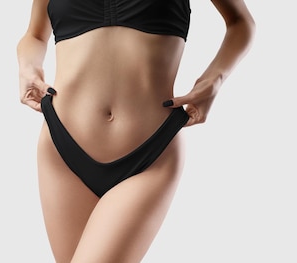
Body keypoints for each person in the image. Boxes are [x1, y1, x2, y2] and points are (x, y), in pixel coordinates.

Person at [16, 0, 254, 262]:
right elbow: (36, 35)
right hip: (62, 148)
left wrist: (215, 78)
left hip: (150, 151)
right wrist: (27, 65)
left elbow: (241, 23)